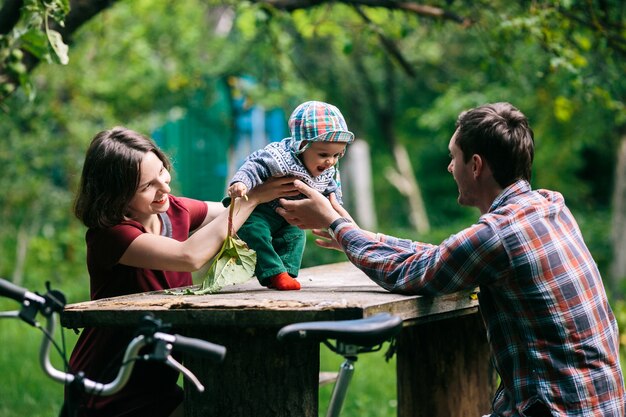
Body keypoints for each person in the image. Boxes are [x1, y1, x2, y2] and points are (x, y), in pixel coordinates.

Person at [276, 102, 626, 417]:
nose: (448, 167)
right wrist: (357, 235)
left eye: (453, 157)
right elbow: (442, 256)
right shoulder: (550, 206)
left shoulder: (497, 235)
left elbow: (409, 273)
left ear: (475, 165)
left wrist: (335, 224)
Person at [64, 127, 297, 417]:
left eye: (162, 171)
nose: (165, 187)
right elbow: (190, 256)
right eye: (147, 186)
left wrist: (290, 205)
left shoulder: (174, 210)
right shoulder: (111, 236)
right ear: (115, 194)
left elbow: (233, 215)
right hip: (108, 383)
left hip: (160, 377)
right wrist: (253, 199)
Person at [226, 100, 354, 291]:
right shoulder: (280, 157)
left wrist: (340, 225)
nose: (330, 161)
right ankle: (274, 272)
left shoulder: (329, 171)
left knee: (296, 237)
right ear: (302, 145)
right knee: (254, 232)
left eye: (337, 155)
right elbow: (254, 165)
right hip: (260, 211)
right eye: (323, 154)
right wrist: (241, 183)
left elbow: (334, 199)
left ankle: (286, 273)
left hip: (289, 219)